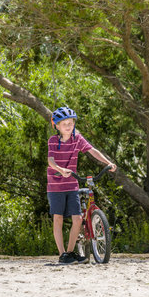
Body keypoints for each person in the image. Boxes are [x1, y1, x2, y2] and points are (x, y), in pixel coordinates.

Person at [47, 107, 117, 264]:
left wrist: (108, 162)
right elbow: (50, 161)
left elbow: (93, 151)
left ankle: (70, 252)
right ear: (56, 126)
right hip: (56, 185)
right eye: (64, 123)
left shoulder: (77, 139)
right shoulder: (53, 141)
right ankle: (62, 254)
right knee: (58, 218)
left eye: (70, 123)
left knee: (78, 219)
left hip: (72, 185)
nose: (68, 126)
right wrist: (59, 169)